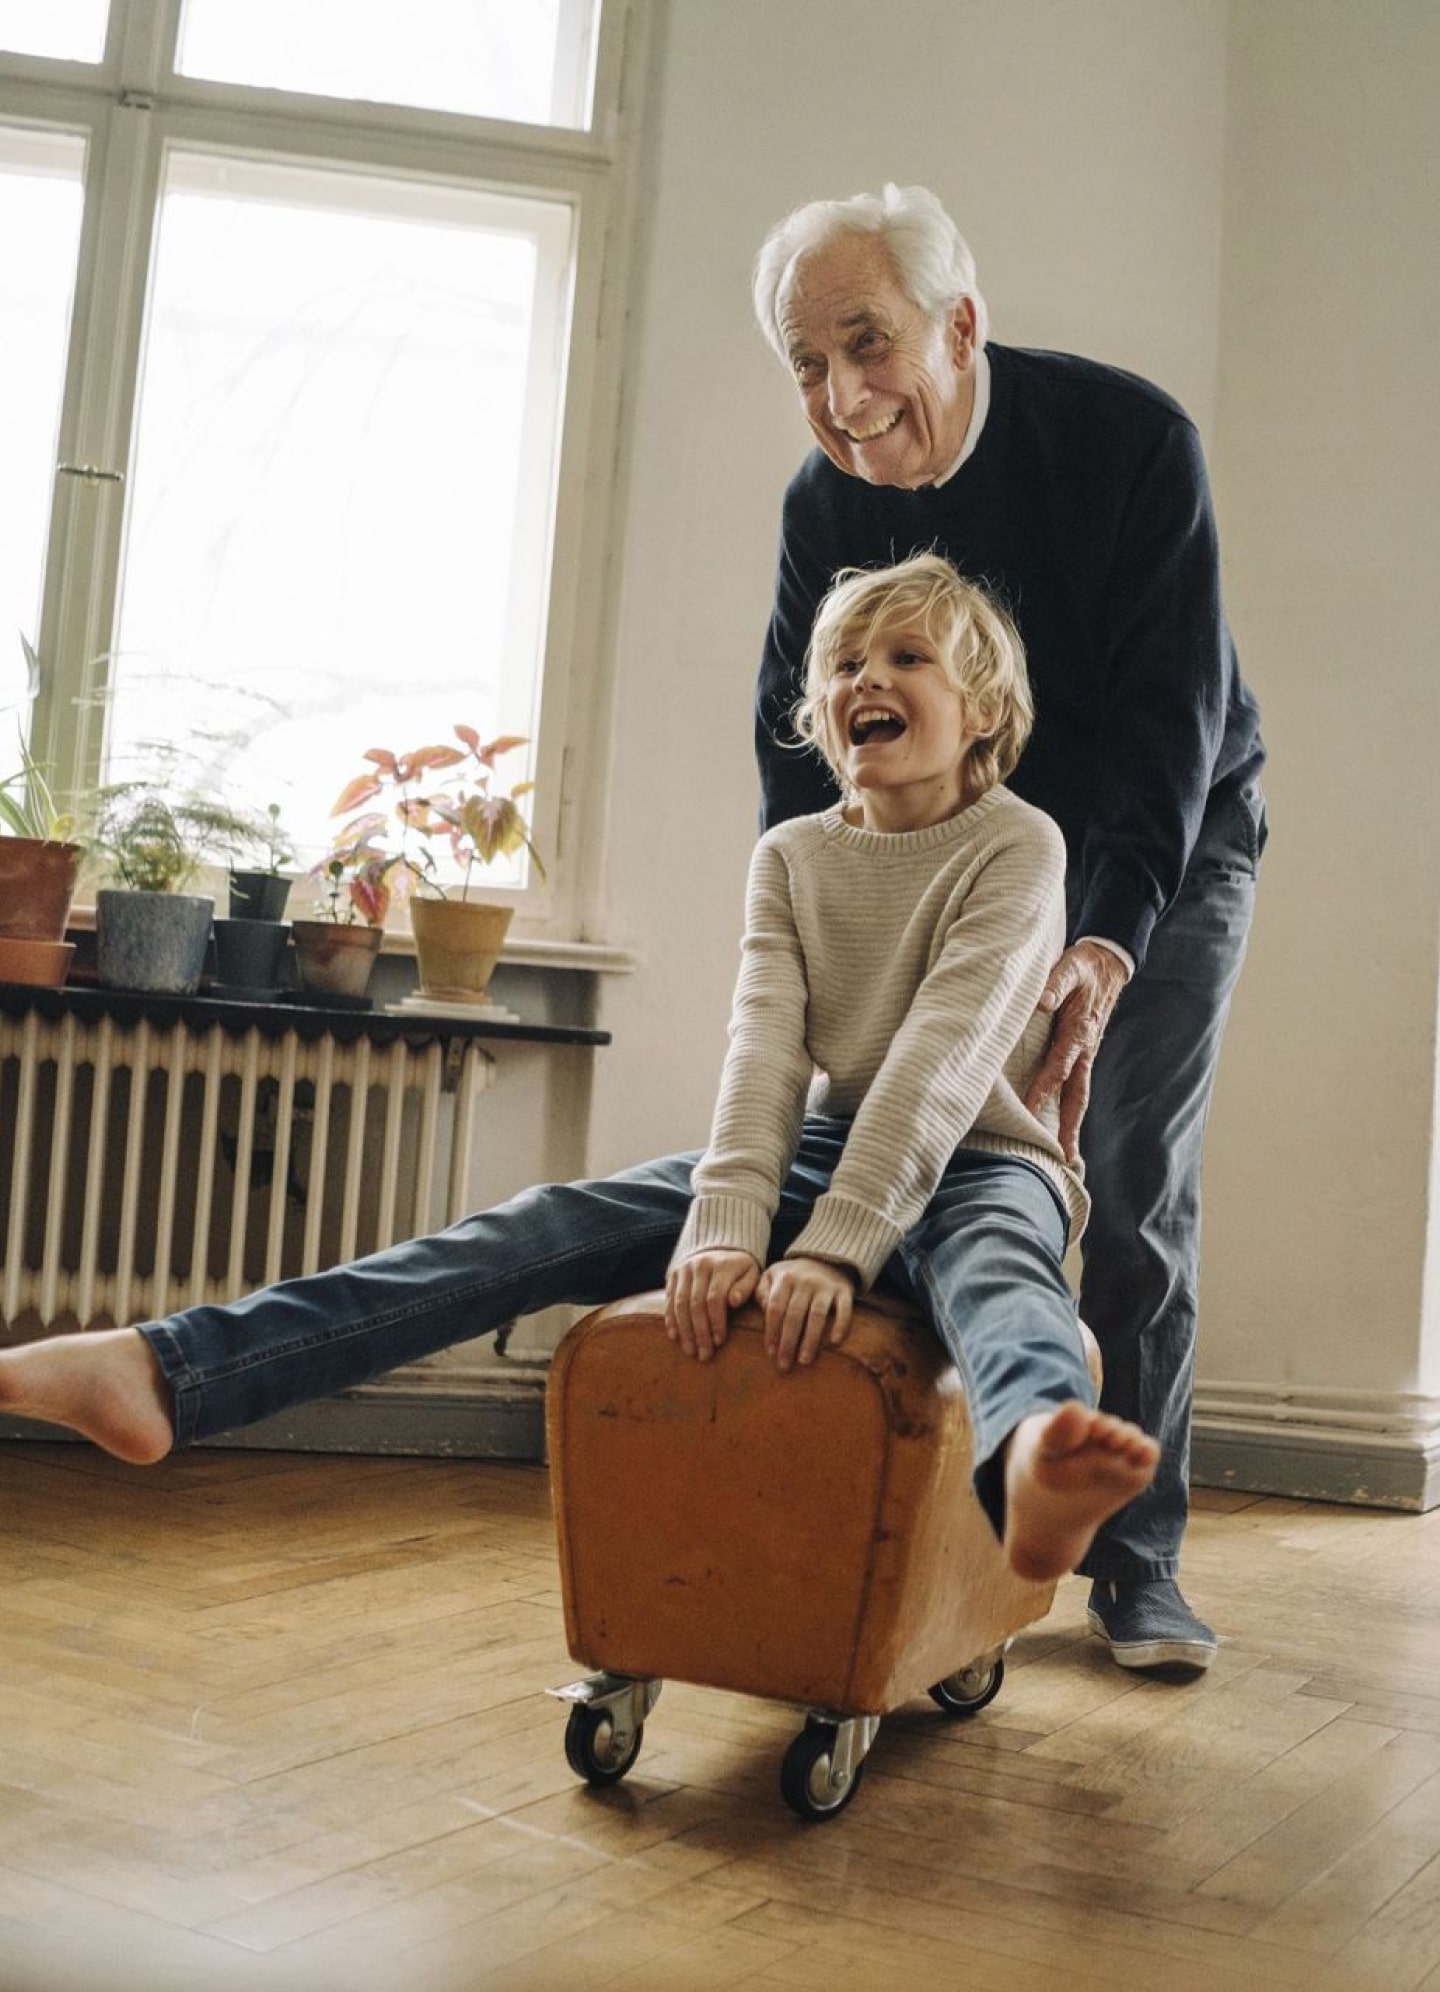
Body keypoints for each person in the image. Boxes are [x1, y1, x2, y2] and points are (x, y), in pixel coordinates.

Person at [0, 555, 1157, 1588]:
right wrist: (728, 1225)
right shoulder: (793, 855)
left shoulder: (1020, 842)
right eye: (846, 659)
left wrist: (834, 1245)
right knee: (540, 1225)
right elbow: (762, 1051)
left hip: (984, 1156)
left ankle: (1033, 1463)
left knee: (1003, 1274)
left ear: (985, 710)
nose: (868, 678)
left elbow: (944, 1058)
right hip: (829, 1142)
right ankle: (164, 1373)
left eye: (908, 657)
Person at [752, 184, 1266, 1671]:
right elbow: (794, 753)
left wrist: (1102, 947)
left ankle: (1138, 1559)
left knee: (1119, 1174)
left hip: (1157, 842)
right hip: (944, 849)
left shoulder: (1130, 443)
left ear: (958, 328)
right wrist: (794, 945)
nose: (843, 400)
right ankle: (938, 1531)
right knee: (910, 1155)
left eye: (867, 345)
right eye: (804, 363)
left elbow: (1172, 727)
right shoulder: (823, 500)